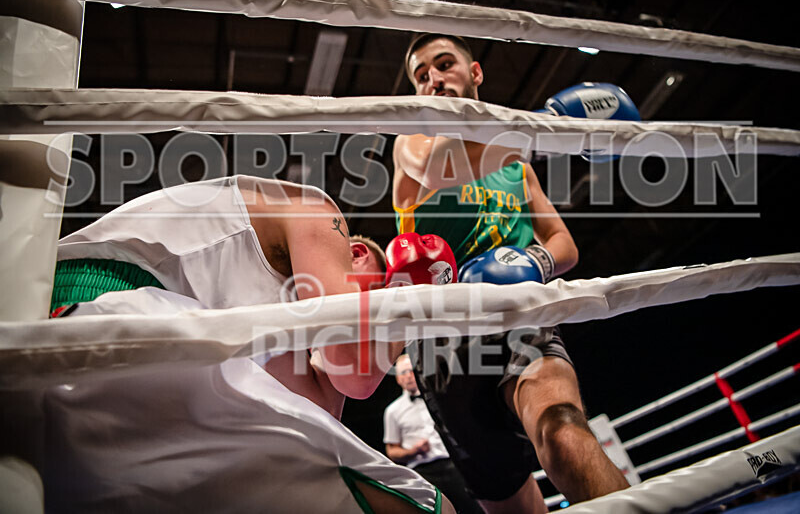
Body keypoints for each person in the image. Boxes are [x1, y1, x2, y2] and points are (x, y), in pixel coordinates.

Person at [21, 175, 456, 513]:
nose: (375, 333)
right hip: (108, 310)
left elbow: (318, 426)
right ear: (358, 254)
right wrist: (410, 298)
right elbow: (355, 370)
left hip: (104, 373)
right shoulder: (317, 213)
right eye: (374, 302)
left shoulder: (277, 315)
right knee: (414, 504)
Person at [392, 34, 630, 513]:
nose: (434, 80)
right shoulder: (411, 144)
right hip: (443, 339)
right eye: (422, 75)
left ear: (475, 72)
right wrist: (545, 127)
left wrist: (531, 263)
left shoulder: (518, 168)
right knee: (512, 503)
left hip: (518, 313)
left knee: (562, 431)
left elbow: (563, 244)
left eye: (444, 65)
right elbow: (444, 169)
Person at [385, 355, 483, 514]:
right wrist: (413, 451)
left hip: (453, 463)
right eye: (403, 373)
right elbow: (391, 451)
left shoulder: (440, 399)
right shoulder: (392, 411)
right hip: (421, 472)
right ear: (397, 379)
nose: (408, 376)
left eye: (411, 371)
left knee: (474, 509)